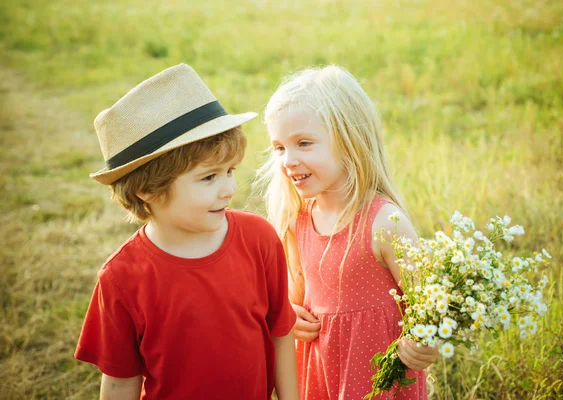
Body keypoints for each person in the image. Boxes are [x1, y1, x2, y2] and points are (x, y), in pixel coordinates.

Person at [74, 64, 299, 400]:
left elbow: (281, 334)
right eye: (208, 177)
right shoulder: (121, 279)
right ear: (147, 190)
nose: (228, 189)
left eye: (229, 171)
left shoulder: (258, 238)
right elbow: (121, 381)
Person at [256, 65, 438, 399]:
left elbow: (429, 306)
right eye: (279, 147)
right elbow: (295, 298)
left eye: (304, 143)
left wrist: (425, 343)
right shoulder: (297, 219)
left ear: (350, 140)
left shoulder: (383, 222)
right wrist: (290, 317)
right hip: (318, 377)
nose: (288, 160)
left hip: (375, 380)